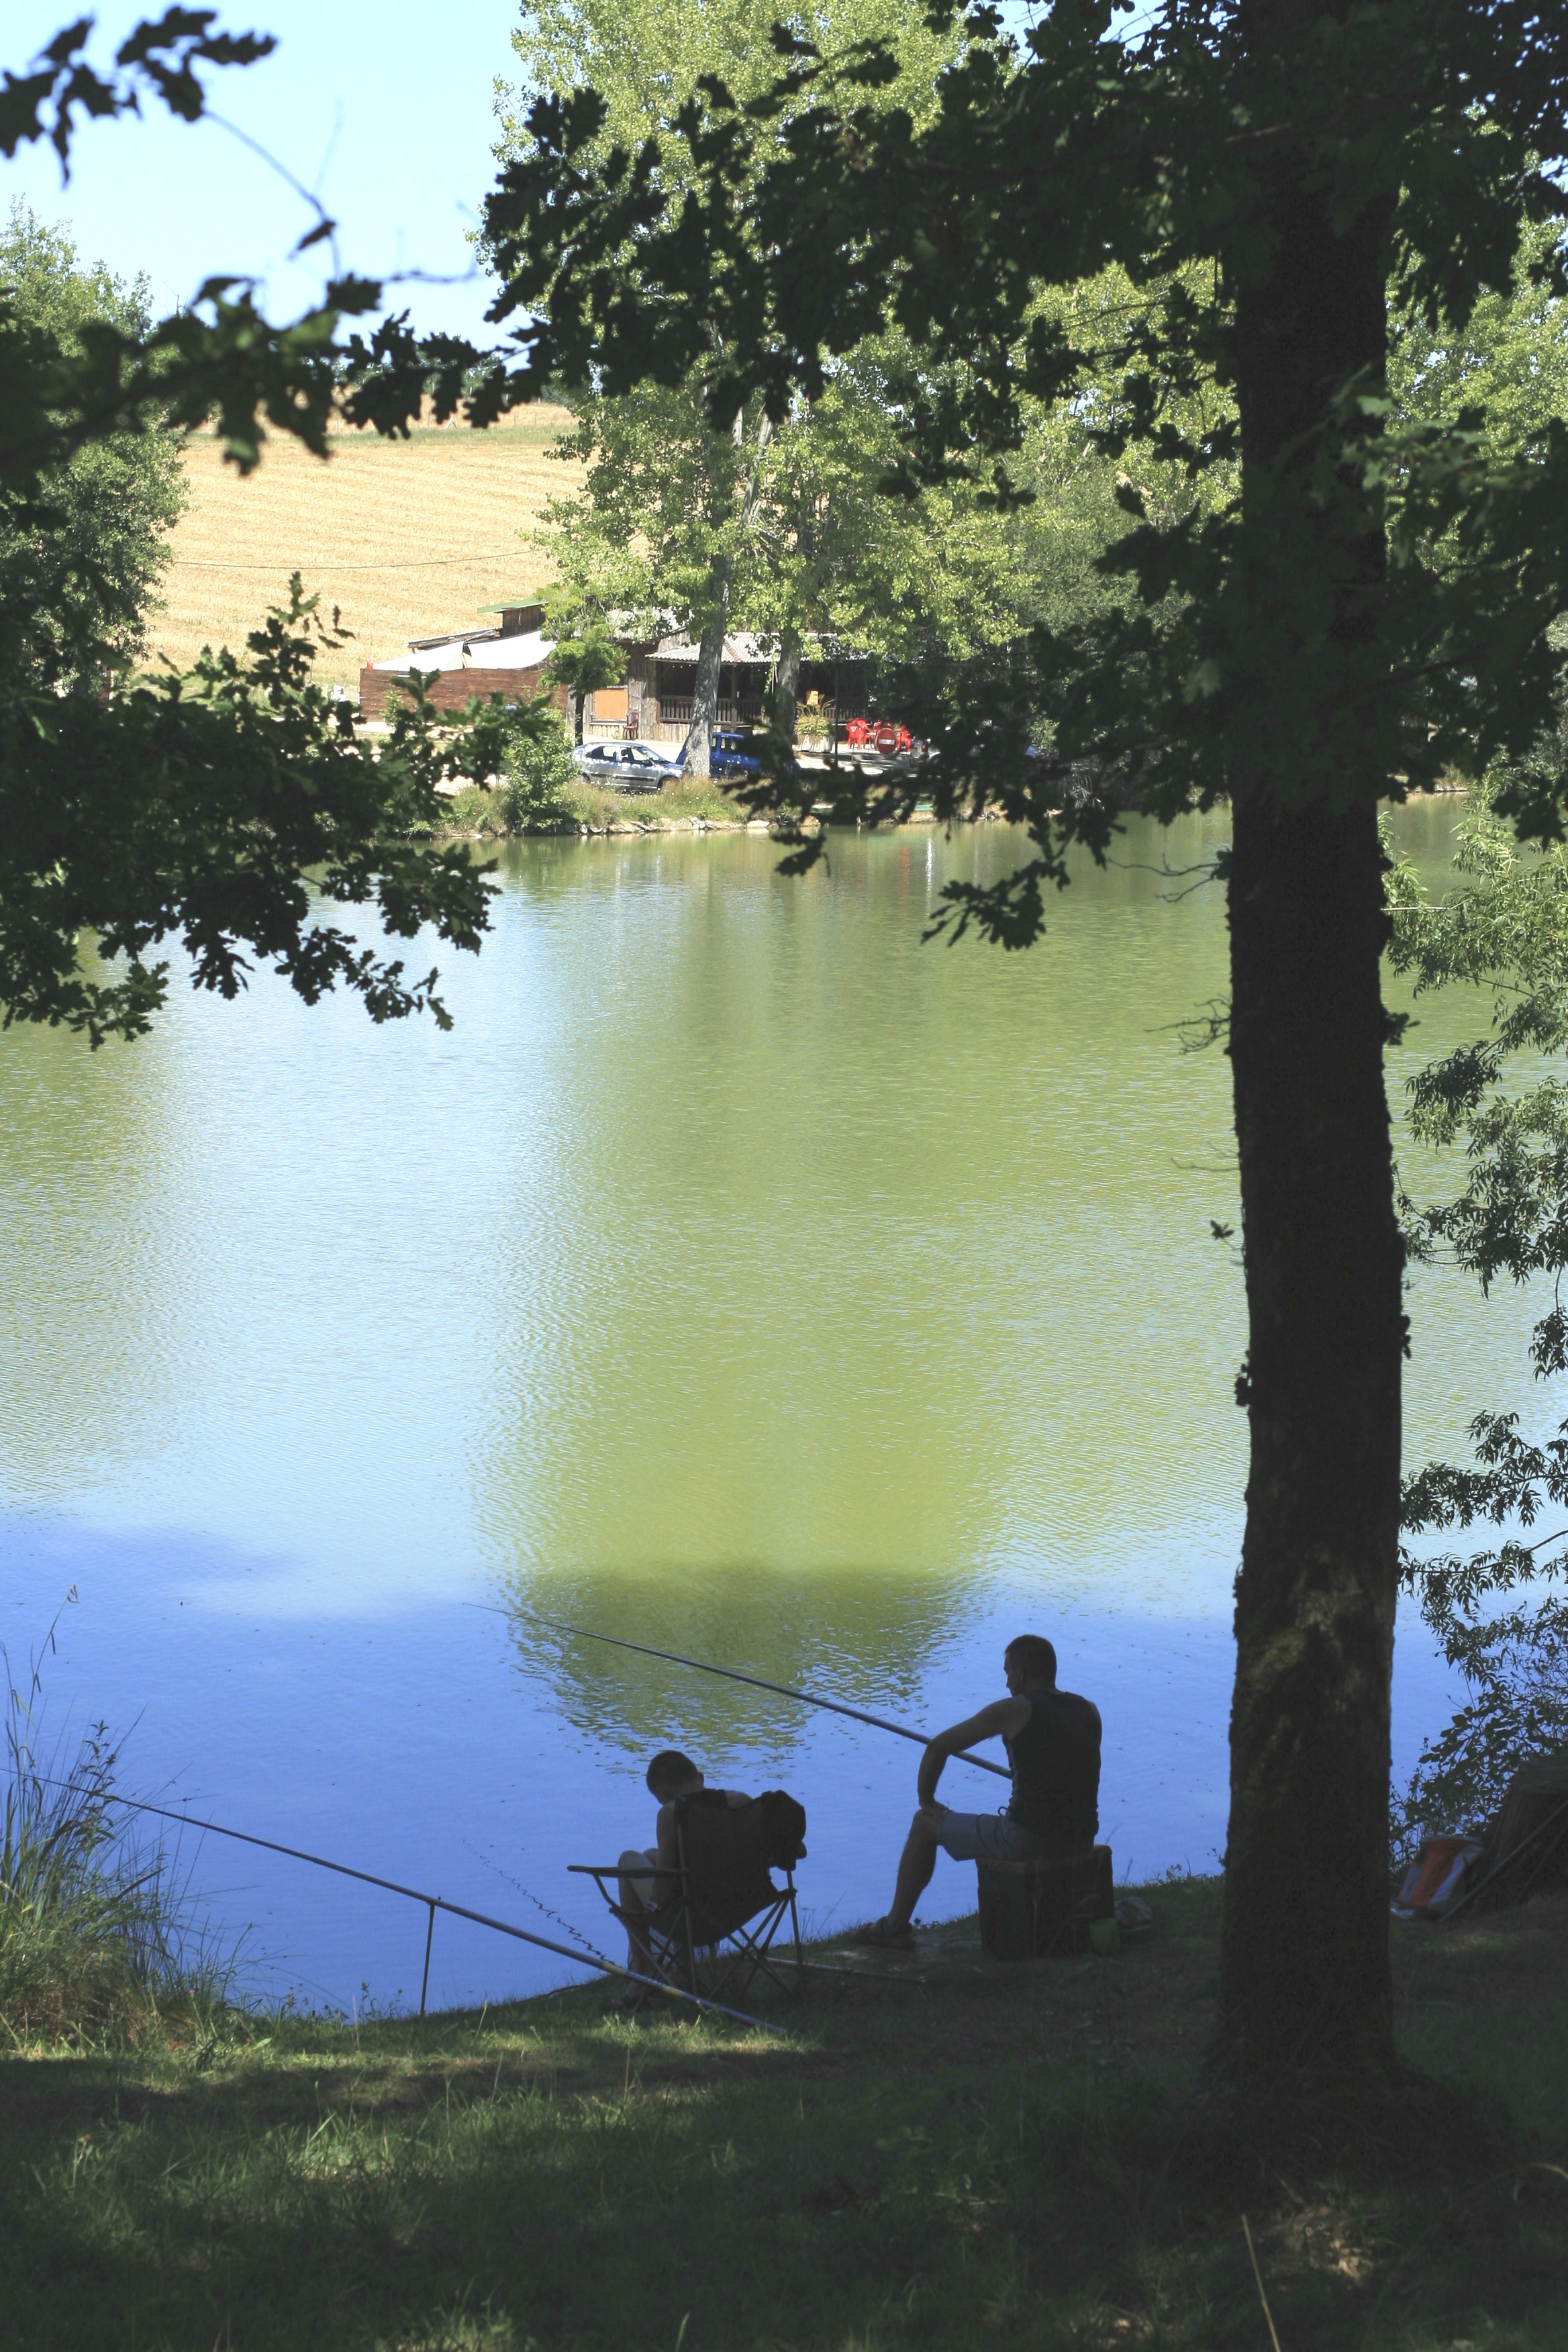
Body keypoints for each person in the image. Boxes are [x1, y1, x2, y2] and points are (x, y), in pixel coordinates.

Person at [860, 1634, 1101, 1950]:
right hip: (1082, 1839)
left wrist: (927, 1800)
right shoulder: (1089, 1710)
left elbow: (938, 1747)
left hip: (1029, 1840)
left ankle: (893, 1926)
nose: (1006, 1683)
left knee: (923, 1824)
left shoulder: (1015, 1709)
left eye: (1007, 1673)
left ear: (1022, 1673)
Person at [614, 1749, 750, 1986]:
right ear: (700, 1776)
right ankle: (680, 1971)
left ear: (664, 1794)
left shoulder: (671, 1814)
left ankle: (642, 1975)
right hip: (739, 1906)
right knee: (650, 1856)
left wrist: (647, 1906)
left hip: (693, 1913)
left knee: (629, 1861)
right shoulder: (739, 1801)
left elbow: (666, 1889)